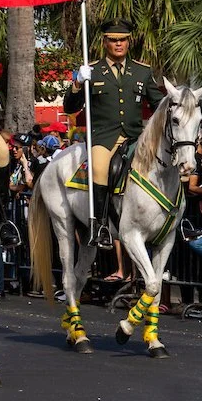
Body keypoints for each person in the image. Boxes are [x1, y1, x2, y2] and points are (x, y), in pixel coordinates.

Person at [63, 19, 165, 249]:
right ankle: (99, 226)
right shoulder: (93, 71)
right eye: (113, 40)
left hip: (136, 137)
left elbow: (159, 105)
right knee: (99, 170)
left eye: (123, 40)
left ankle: (174, 218)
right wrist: (78, 84)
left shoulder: (142, 71)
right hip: (104, 137)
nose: (119, 44)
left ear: (129, 41)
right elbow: (69, 108)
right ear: (104, 42)